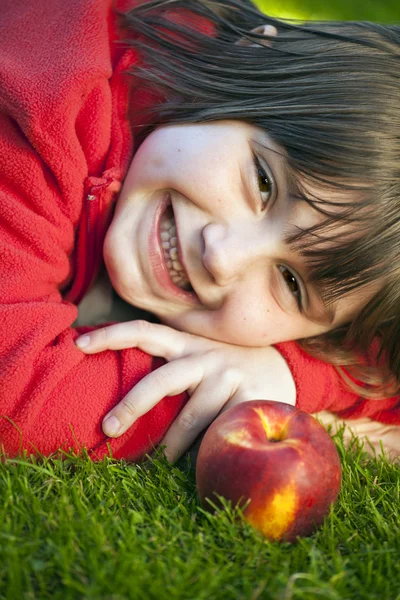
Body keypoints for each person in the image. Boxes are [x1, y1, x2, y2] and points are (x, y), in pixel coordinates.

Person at [0, 0, 399, 464]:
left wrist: (287, 375)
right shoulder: (47, 97)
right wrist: (224, 398)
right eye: (264, 183)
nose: (223, 257)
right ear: (251, 62)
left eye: (291, 283)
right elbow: (12, 385)